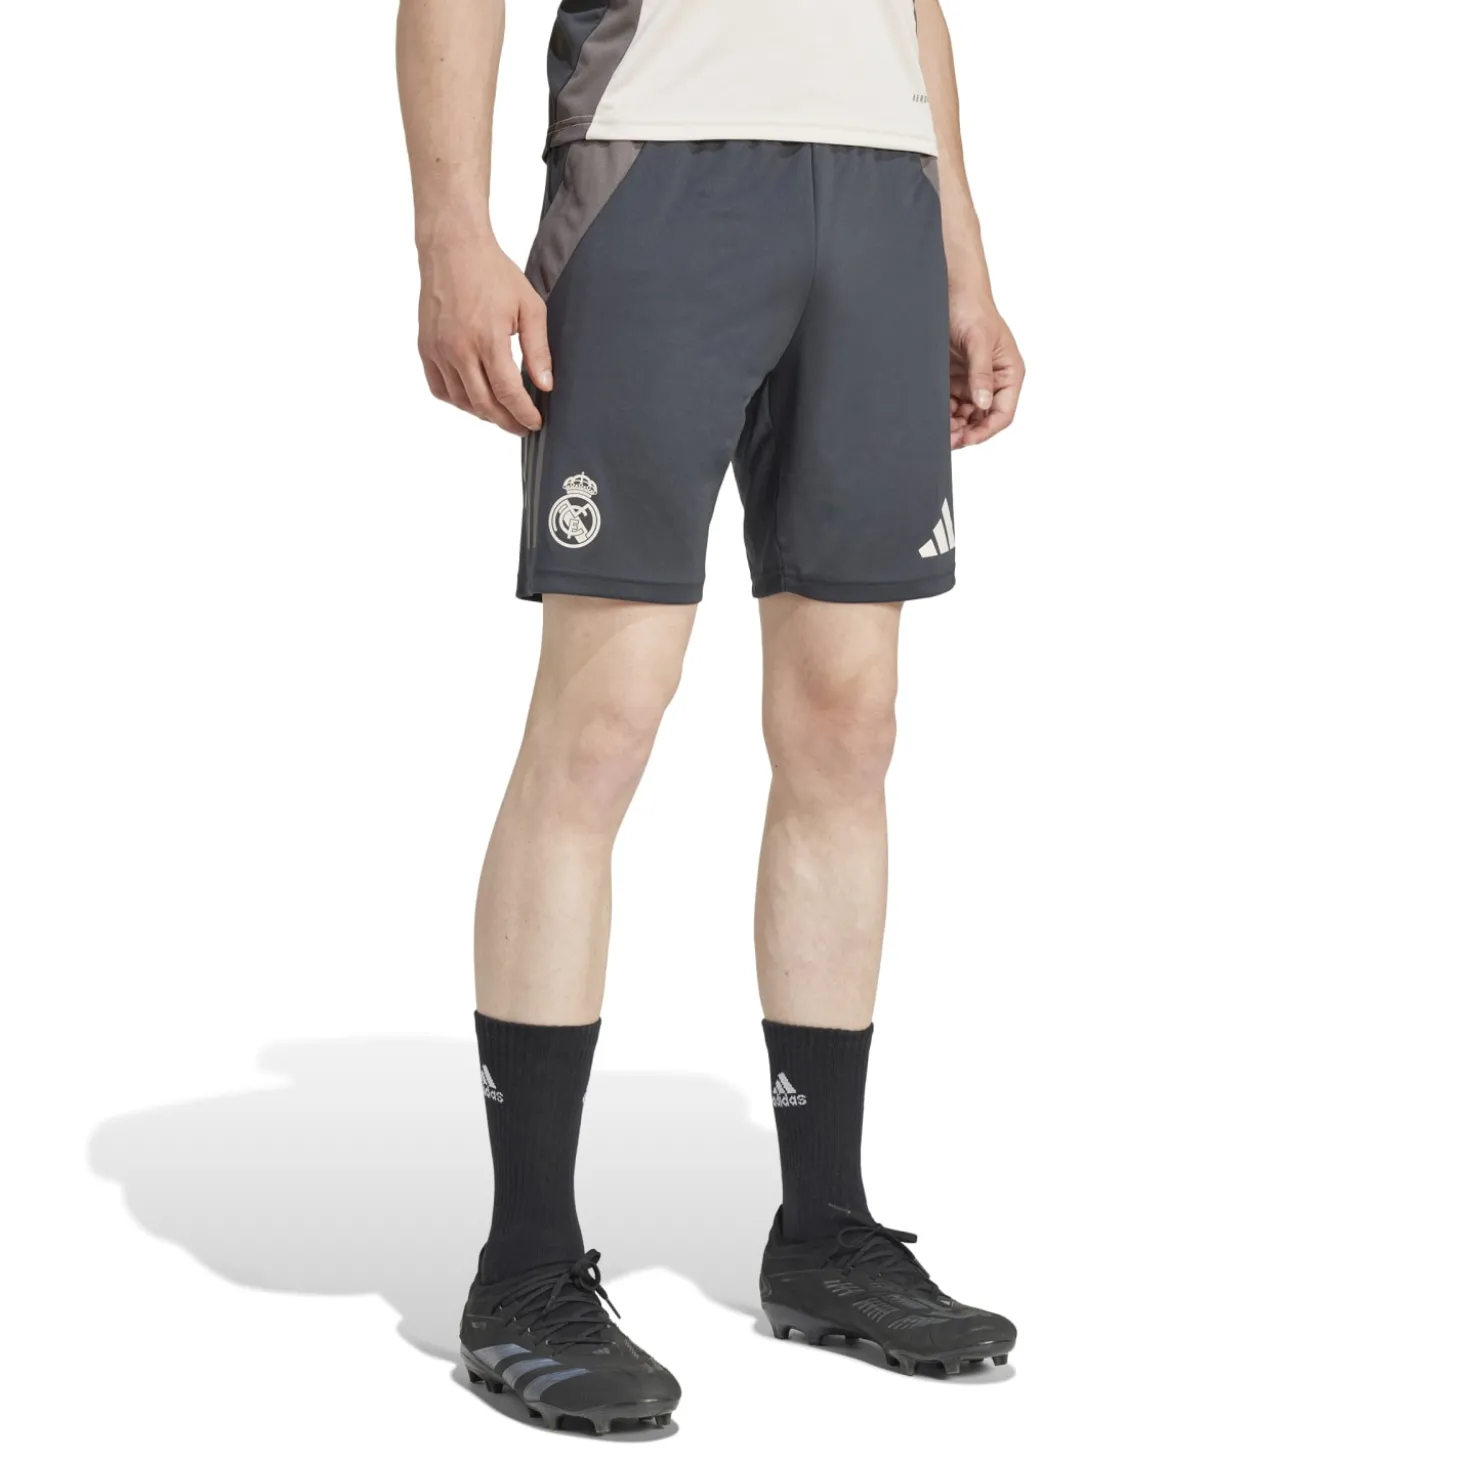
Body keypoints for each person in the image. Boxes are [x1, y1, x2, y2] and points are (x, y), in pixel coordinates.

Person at [396, 0, 1025, 1434]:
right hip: (657, 171)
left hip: (877, 192)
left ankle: (826, 1232)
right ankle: (526, 1268)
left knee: (848, 724)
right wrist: (450, 234)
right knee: (604, 717)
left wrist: (962, 257)